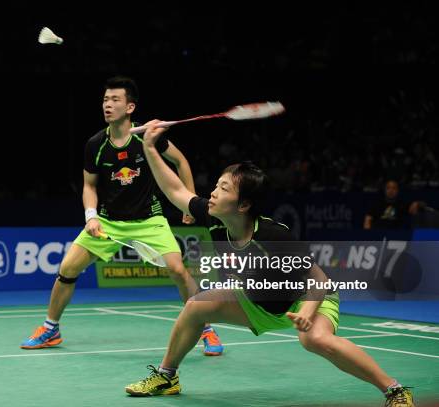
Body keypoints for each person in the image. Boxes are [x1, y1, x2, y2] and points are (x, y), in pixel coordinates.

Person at [124, 121, 414, 407]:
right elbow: (175, 191)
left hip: (305, 298)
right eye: (216, 185)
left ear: (243, 205)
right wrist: (149, 147)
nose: (212, 192)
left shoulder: (273, 236)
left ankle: (395, 390)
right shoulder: (215, 218)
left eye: (223, 189)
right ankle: (167, 377)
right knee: (195, 306)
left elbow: (319, 281)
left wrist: (307, 313)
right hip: (258, 299)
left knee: (314, 339)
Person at [20, 77, 223, 355]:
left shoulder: (148, 137)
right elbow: (89, 186)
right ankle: (50, 328)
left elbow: (180, 161)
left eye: (115, 100)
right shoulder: (95, 144)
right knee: (67, 269)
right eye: (105, 99)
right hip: (108, 222)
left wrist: (188, 202)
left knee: (178, 270)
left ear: (130, 107)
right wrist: (91, 216)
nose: (108, 105)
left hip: (148, 220)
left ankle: (206, 328)